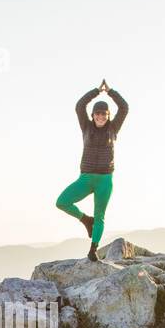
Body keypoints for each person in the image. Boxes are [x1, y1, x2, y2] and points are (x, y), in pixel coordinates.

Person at [54, 79, 129, 261]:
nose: (100, 117)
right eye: (97, 114)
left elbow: (124, 107)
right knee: (62, 202)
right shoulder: (86, 127)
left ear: (108, 115)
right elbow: (80, 106)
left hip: (105, 180)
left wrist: (110, 92)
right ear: (93, 115)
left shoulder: (113, 128)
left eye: (104, 114)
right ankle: (85, 220)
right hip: (85, 179)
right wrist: (97, 91)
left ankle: (93, 249)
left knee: (100, 216)